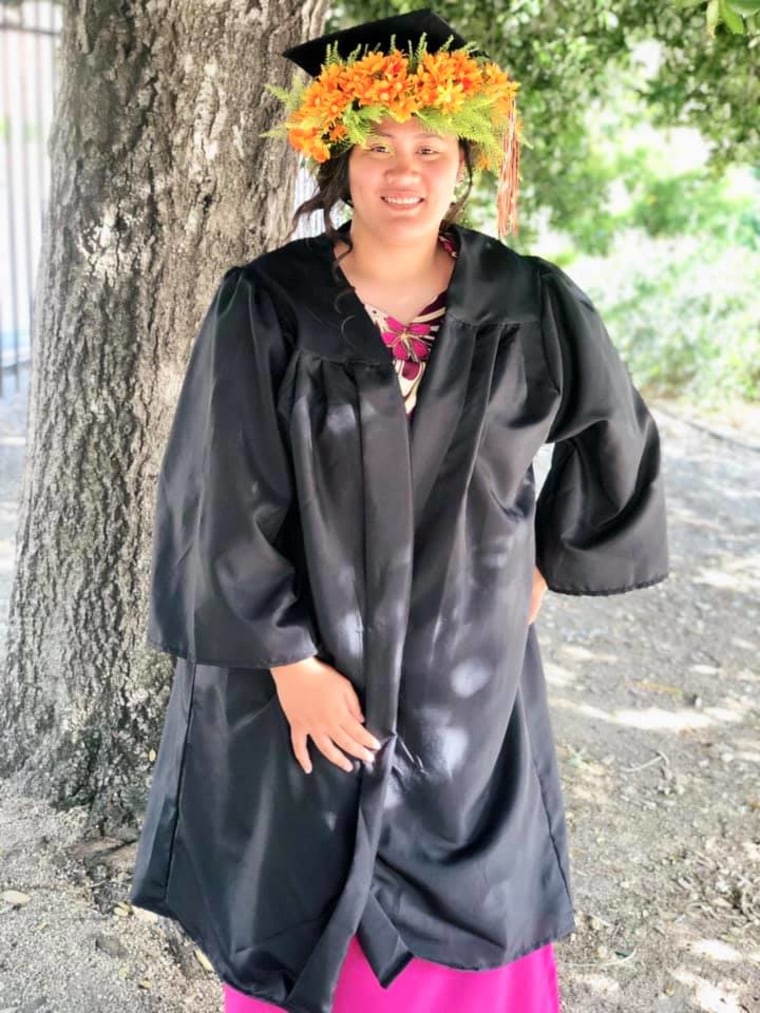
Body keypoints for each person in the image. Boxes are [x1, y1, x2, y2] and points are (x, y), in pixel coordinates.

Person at [130, 9, 668, 1013]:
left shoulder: (529, 301)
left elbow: (616, 441)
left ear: (464, 161)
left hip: (470, 679)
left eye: (429, 147)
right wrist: (288, 664)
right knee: (306, 878)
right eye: (375, 146)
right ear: (337, 160)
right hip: (301, 674)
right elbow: (218, 492)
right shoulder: (269, 303)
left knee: (470, 902)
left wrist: (539, 570)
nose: (403, 171)